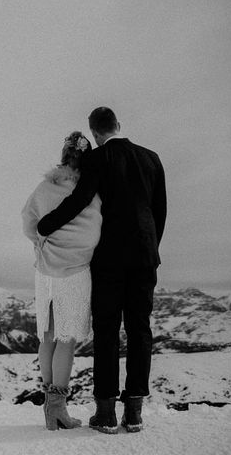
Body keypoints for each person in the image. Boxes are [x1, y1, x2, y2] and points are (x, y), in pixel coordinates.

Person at [37, 107, 167, 434]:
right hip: (145, 256)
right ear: (119, 125)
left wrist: (47, 225)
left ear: (95, 133)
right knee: (140, 330)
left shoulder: (97, 160)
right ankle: (134, 413)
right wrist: (150, 248)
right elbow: (159, 211)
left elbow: (79, 200)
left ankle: (106, 413)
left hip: (109, 259)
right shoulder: (152, 158)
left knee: (107, 332)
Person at [21, 131, 102, 430]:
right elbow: (95, 231)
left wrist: (43, 245)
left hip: (45, 270)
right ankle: (58, 408)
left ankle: (49, 408)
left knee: (48, 335)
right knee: (66, 338)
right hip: (75, 270)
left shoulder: (44, 187)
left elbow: (28, 221)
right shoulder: (90, 191)